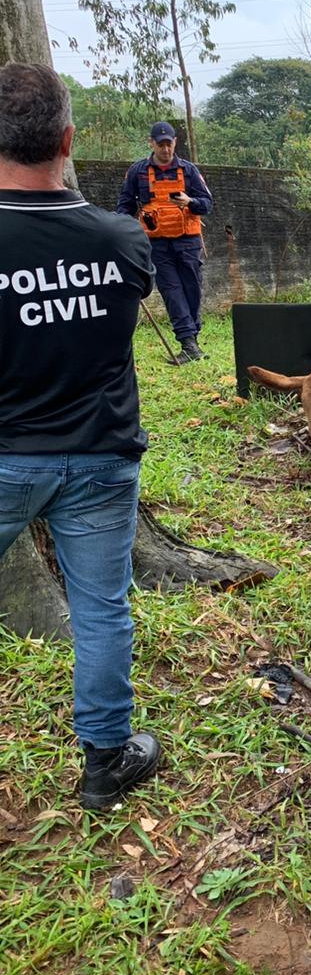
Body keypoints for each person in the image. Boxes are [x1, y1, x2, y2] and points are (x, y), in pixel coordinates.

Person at [0, 62, 160, 810]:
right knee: (100, 610)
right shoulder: (121, 237)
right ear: (68, 139)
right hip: (100, 456)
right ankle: (104, 761)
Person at [116, 122, 212, 365]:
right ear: (151, 143)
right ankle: (188, 343)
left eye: (169, 144)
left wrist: (190, 202)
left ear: (175, 142)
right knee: (171, 291)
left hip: (188, 242)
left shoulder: (189, 171)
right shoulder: (137, 172)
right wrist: (121, 233)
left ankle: (192, 339)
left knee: (192, 289)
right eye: (161, 145)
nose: (166, 149)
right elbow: (125, 206)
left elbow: (207, 204)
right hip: (157, 244)